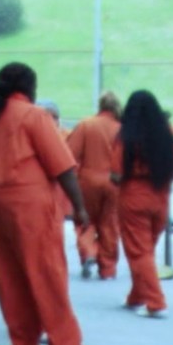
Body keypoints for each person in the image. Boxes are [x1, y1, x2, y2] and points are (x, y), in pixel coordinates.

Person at [0, 62, 98, 345]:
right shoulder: (34, 115)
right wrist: (79, 207)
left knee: (8, 272)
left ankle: (23, 344)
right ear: (29, 87)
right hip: (27, 203)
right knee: (46, 271)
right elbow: (63, 166)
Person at [114, 90, 173, 318]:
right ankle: (137, 296)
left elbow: (116, 174)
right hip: (160, 197)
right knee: (146, 251)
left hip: (133, 196)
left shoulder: (126, 138)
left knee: (139, 252)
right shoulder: (168, 136)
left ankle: (156, 302)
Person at [67, 91, 123, 280]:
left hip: (88, 181)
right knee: (110, 225)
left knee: (85, 220)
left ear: (99, 105)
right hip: (115, 183)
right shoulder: (122, 129)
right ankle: (107, 269)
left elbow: (69, 156)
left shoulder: (86, 125)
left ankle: (89, 252)